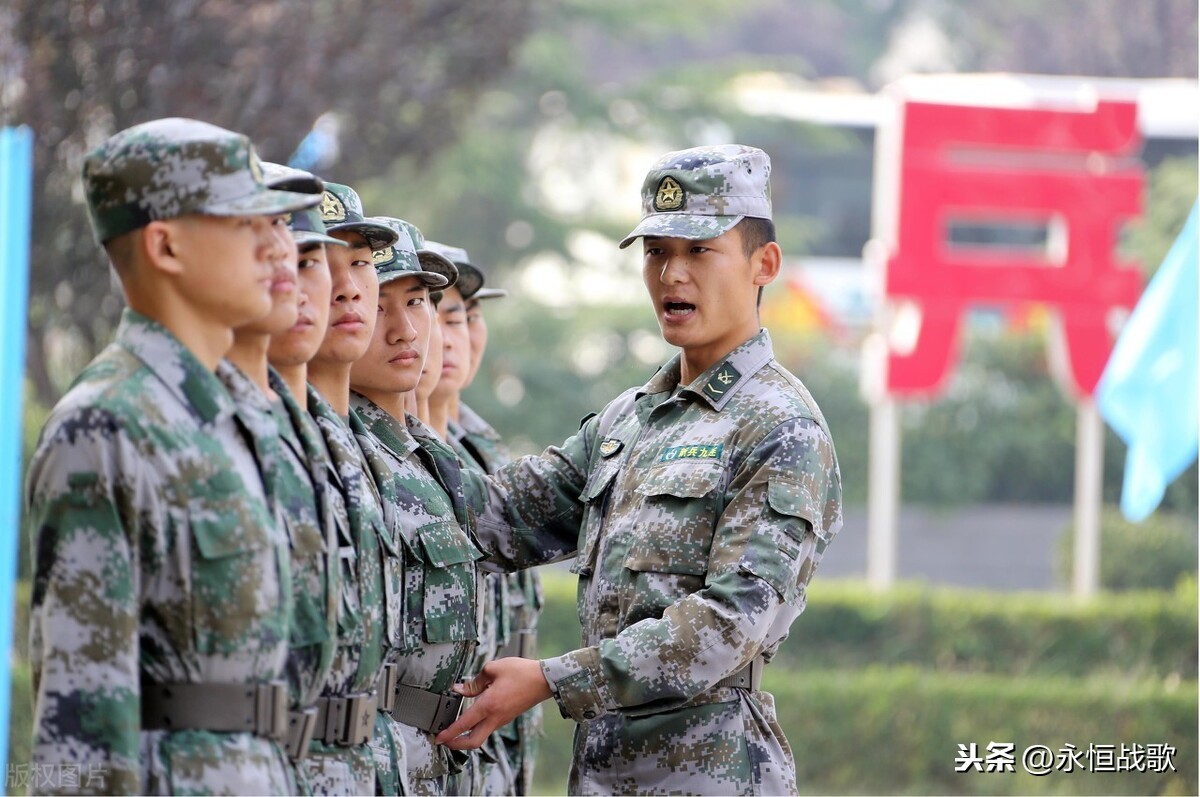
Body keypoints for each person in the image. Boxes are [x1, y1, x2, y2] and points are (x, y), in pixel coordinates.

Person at [435, 144, 844, 796]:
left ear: (763, 264)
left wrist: (551, 679)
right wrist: (377, 416)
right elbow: (496, 516)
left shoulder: (780, 426)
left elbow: (729, 623)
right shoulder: (631, 418)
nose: (672, 274)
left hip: (710, 773)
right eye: (656, 252)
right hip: (604, 770)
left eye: (699, 250)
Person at [26, 118, 320, 795]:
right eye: (246, 223)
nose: (278, 246)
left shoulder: (234, 413)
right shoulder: (107, 424)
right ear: (165, 245)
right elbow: (80, 721)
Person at [348, 217, 495, 795]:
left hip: (437, 761)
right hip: (377, 761)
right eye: (378, 304)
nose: (406, 329)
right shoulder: (343, 451)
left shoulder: (430, 455)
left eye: (417, 302)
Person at [219, 162, 343, 792]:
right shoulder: (166, 418)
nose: (283, 262)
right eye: (259, 233)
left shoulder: (316, 433)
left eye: (307, 257)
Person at [426, 242, 541, 797]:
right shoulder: (394, 457)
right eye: (442, 316)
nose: (455, 337)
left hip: (498, 749)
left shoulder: (483, 449)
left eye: (466, 317)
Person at [301, 181, 404, 796]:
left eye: (361, 264)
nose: (347, 288)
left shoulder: (373, 449)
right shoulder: (269, 438)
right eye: (316, 260)